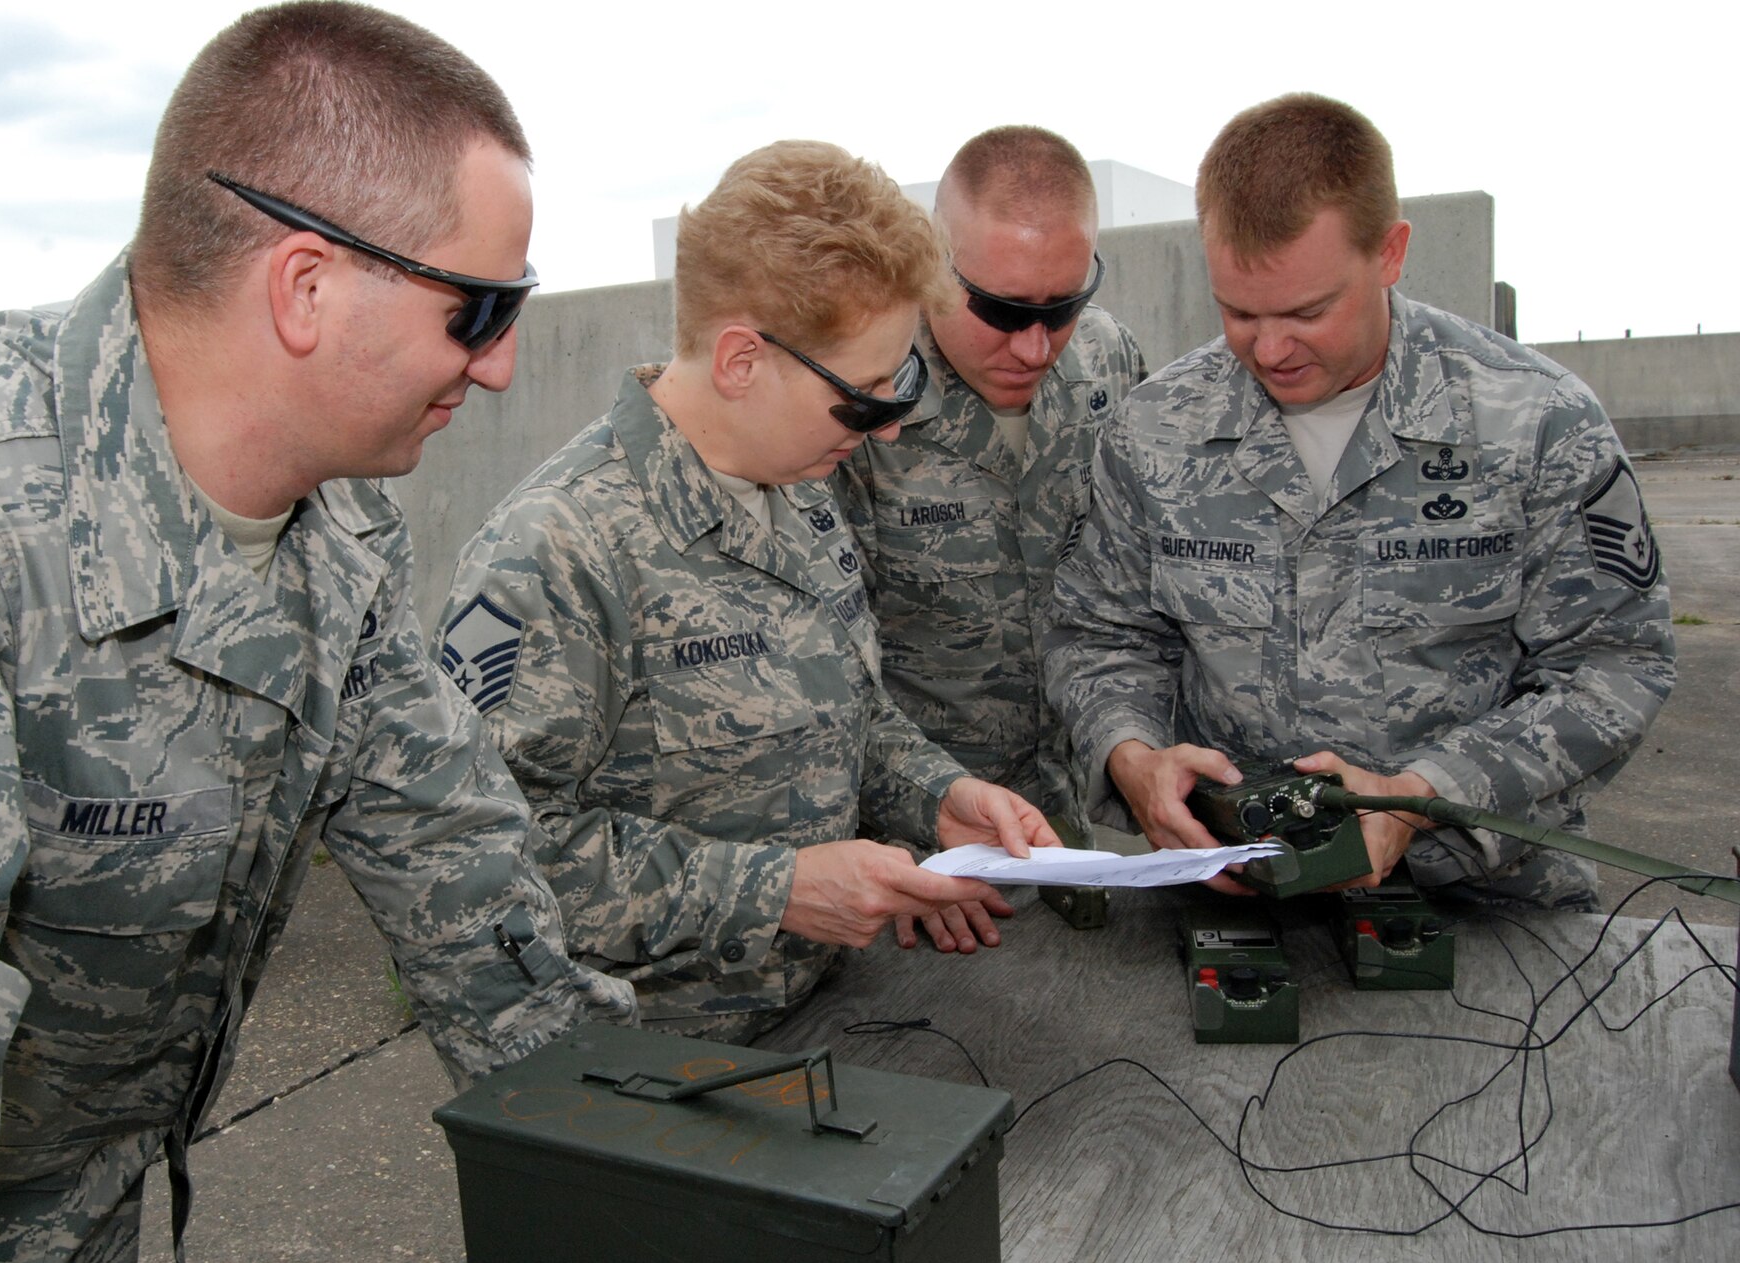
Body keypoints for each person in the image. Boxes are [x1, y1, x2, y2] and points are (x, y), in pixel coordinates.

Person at [0, 5, 636, 1263]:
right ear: (307, 285)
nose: (504, 364)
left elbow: (455, 860)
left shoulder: (335, 540)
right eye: (481, 309)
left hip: (62, 1215)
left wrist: (655, 1166)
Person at [438, 141, 1055, 1040]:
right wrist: (781, 891)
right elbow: (482, 864)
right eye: (865, 397)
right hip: (644, 1073)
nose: (888, 425)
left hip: (825, 1015)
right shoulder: (556, 552)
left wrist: (939, 793)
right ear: (740, 360)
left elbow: (850, 710)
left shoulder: (800, 487)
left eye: (903, 383)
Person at [1042, 93, 1674, 909]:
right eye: (1237, 311)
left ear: (1390, 252)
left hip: (1482, 906)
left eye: (1308, 311)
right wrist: (1133, 758)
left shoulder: (1536, 422)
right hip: (1233, 898)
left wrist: (1422, 794)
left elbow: (1615, 664)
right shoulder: (1156, 430)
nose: (1269, 349)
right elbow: (1098, 635)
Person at [839, 127, 1145, 849]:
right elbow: (833, 674)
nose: (1036, 346)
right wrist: (917, 826)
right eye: (1004, 312)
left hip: (1071, 822)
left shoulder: (1108, 363)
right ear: (935, 270)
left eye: (1063, 307)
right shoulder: (863, 397)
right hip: (920, 841)